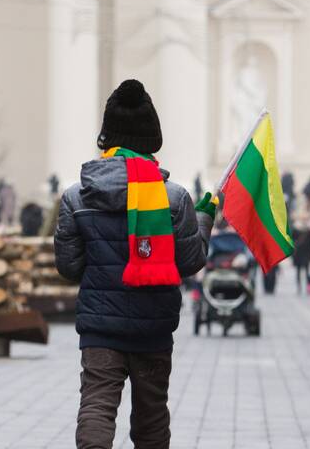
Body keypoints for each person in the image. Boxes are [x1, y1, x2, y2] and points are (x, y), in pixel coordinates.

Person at [54, 79, 212, 449]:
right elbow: (190, 263)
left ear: (106, 139)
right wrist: (203, 220)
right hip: (153, 326)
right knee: (151, 415)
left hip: (99, 326)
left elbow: (69, 266)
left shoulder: (76, 196)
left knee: (96, 406)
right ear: (151, 141)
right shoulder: (174, 199)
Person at [291, 218, 310, 294]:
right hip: (301, 255)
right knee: (302, 271)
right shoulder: (306, 230)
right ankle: (301, 287)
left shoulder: (307, 231)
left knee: (304, 272)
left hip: (303, 254)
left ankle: (304, 287)